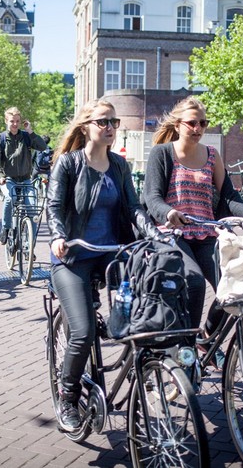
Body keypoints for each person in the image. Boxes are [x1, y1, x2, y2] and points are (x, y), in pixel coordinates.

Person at [47, 99, 164, 432]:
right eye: (103, 122)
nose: (110, 127)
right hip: (72, 256)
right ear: (86, 126)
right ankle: (67, 397)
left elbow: (133, 209)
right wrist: (58, 236)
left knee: (145, 309)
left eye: (114, 122)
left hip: (111, 253)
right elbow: (54, 207)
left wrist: (154, 236)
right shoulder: (68, 164)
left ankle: (152, 366)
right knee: (82, 333)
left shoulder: (119, 165)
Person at [142, 96, 243, 357]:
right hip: (172, 234)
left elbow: (229, 198)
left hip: (206, 232)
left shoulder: (212, 155)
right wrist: (170, 212)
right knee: (195, 282)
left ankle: (207, 338)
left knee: (234, 287)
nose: (198, 128)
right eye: (192, 123)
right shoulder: (162, 154)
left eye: (203, 123)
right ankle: (186, 351)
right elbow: (152, 198)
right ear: (178, 125)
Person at [0, 107, 48, 244]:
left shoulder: (26, 136)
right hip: (8, 179)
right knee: (10, 198)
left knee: (32, 210)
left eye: (17, 121)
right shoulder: (0, 138)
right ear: (6, 121)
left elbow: (43, 146)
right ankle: (6, 228)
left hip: (26, 179)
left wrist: (30, 131)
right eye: (12, 121)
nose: (15, 124)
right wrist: (0, 175)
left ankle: (30, 246)